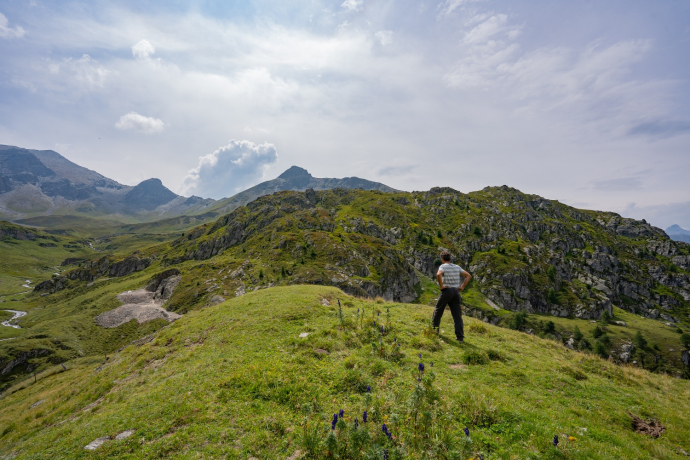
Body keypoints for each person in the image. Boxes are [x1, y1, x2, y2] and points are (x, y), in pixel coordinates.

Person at [433, 251, 471, 343]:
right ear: (450, 258)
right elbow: (468, 276)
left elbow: (438, 274)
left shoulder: (443, 266)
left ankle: (435, 331)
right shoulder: (457, 267)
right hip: (456, 292)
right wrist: (462, 287)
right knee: (457, 316)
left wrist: (441, 286)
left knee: (438, 311)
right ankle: (460, 338)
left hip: (447, 291)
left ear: (442, 259)